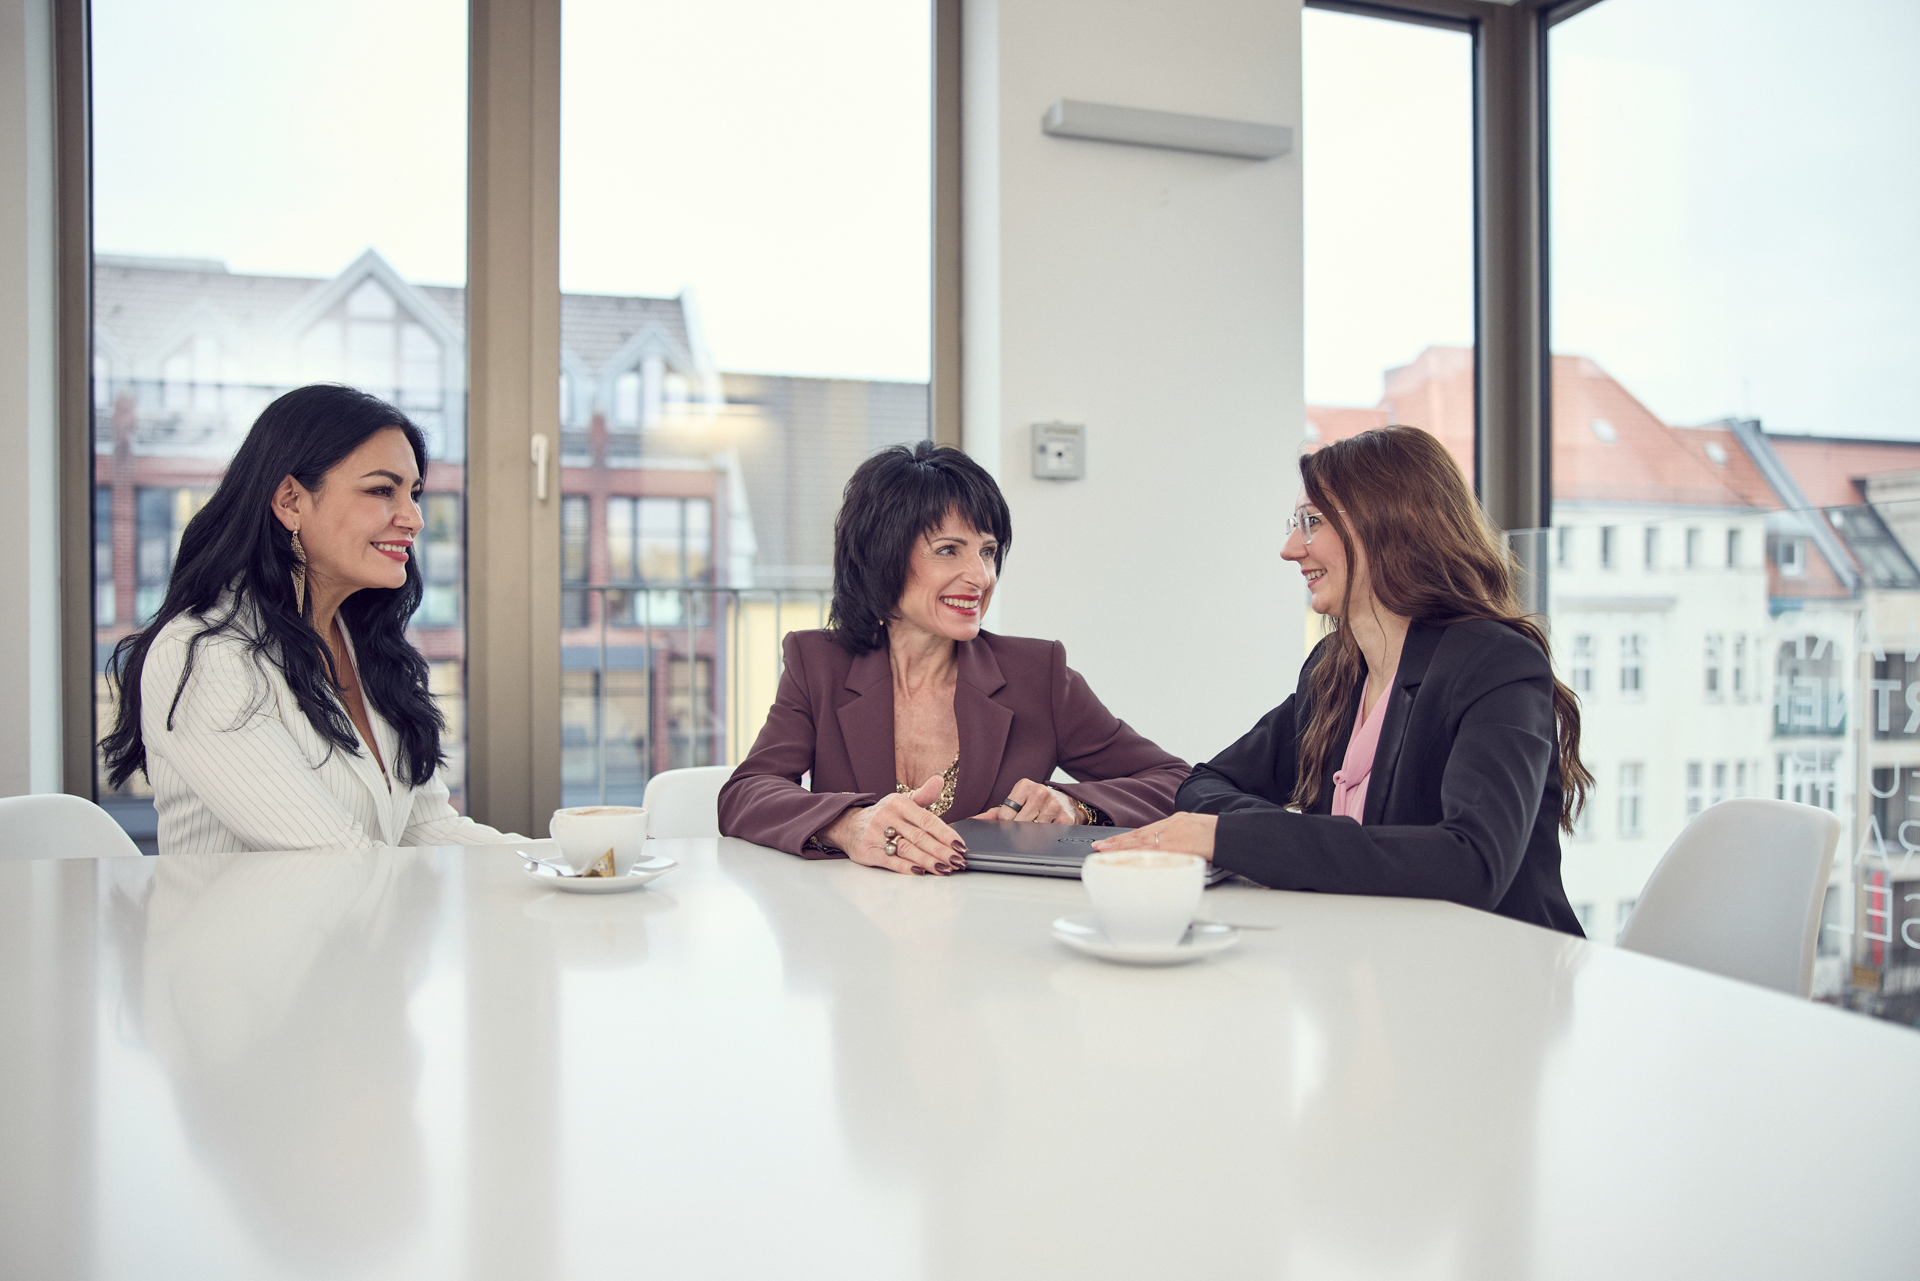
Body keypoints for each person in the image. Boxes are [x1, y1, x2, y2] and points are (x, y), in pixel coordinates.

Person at [1094, 425, 1590, 936]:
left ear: (1398, 522)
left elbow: (1472, 863)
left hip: (1499, 980)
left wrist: (1234, 838)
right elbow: (1205, 784)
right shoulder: (1334, 669)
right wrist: (1252, 833)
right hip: (1371, 965)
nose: (1290, 548)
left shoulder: (1497, 663)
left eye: (1312, 522)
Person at [719, 440, 1188, 875]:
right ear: (881, 557)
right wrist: (847, 823)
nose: (981, 576)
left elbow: (1177, 782)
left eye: (988, 552)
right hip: (852, 934)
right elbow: (745, 794)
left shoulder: (1037, 674)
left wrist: (1076, 806)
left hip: (991, 936)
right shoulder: (817, 663)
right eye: (948, 550)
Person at [100, 385, 523, 856]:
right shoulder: (202, 655)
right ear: (290, 501)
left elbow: (428, 830)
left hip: (359, 926)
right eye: (382, 490)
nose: (414, 518)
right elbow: (335, 859)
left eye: (414, 493)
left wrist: (569, 863)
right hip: (243, 931)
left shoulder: (362, 643)